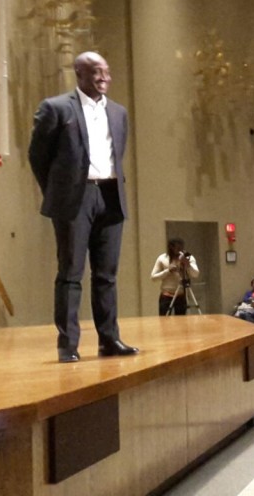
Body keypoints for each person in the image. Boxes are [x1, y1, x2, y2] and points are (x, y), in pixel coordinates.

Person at [29, 51, 138, 363]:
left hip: (110, 194)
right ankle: (68, 345)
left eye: (106, 71)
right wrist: (57, 191)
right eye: (95, 72)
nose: (103, 78)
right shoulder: (56, 108)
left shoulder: (119, 113)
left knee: (107, 274)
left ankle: (109, 340)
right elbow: (37, 155)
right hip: (74, 199)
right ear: (79, 74)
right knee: (71, 273)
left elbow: (119, 151)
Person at [151, 238, 200, 316]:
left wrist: (188, 265)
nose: (179, 251)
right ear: (171, 248)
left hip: (181, 295)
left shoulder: (188, 257)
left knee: (181, 322)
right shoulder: (162, 258)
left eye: (181, 248)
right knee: (164, 321)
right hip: (166, 295)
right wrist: (168, 271)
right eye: (177, 248)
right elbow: (153, 277)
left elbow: (196, 274)